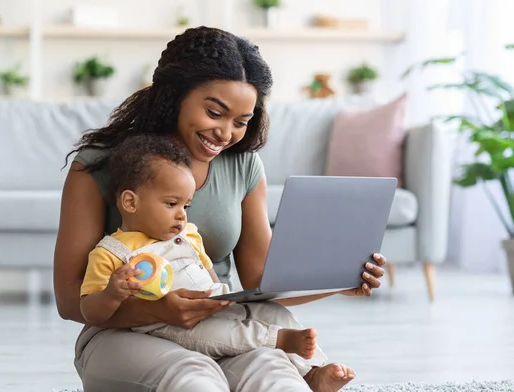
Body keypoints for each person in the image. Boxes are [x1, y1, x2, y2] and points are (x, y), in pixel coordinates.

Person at [54, 25, 387, 392]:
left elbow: (262, 282)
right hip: (124, 333)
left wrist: (339, 281)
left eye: (241, 122)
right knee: (194, 379)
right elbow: (70, 300)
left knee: (275, 376)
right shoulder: (99, 166)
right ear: (174, 95)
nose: (226, 133)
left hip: (221, 327)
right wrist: (158, 310)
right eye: (215, 113)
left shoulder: (242, 166)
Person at [79, 134, 327, 373]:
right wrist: (112, 293)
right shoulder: (110, 253)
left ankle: (315, 368)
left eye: (186, 205)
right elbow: (91, 312)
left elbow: (210, 278)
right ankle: (277, 339)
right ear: (131, 203)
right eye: (171, 204)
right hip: (169, 324)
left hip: (212, 303)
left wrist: (229, 301)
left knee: (273, 312)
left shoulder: (189, 235)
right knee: (222, 335)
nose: (182, 214)